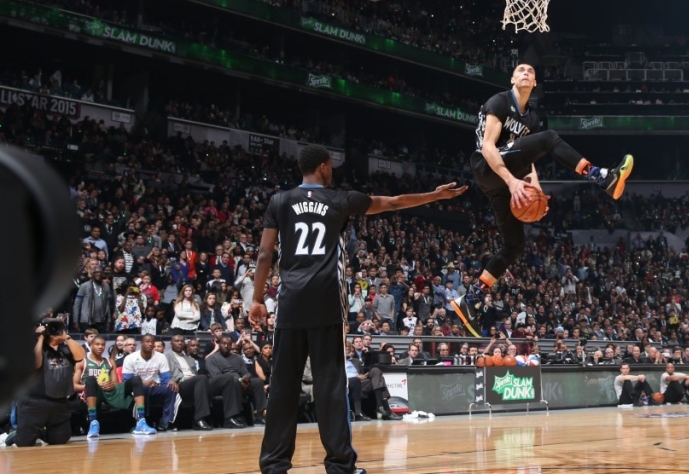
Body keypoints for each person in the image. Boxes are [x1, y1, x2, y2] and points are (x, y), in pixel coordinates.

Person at [249, 144, 466, 474]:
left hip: (290, 303)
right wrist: (434, 196)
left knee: (283, 386)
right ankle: (339, 466)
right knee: (330, 385)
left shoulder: (280, 201)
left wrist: (256, 298)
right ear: (323, 167)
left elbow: (265, 255)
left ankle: (274, 465)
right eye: (330, 166)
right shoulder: (339, 200)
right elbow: (392, 203)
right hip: (325, 303)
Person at [449, 63, 634, 338]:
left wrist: (536, 189)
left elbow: (527, 160)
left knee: (515, 245)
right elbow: (488, 147)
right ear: (512, 78)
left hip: (503, 180)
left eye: (531, 72)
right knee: (548, 139)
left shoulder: (532, 118)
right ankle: (601, 176)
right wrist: (513, 183)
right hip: (487, 166)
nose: (525, 73)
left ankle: (471, 299)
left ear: (535, 83)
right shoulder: (499, 102)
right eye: (520, 70)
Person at [10, 321, 86, 447]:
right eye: (52, 329)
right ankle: (17, 435)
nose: (55, 331)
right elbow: (35, 364)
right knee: (24, 442)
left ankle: (41, 433)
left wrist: (66, 337)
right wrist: (40, 338)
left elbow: (81, 356)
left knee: (60, 439)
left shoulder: (66, 349)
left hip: (60, 402)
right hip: (35, 402)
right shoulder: (34, 346)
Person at [80, 335, 147, 437]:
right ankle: (93, 423)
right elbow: (74, 385)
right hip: (92, 393)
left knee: (136, 379)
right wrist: (92, 385)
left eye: (102, 345)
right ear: (91, 345)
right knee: (91, 379)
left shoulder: (110, 361)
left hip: (110, 391)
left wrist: (111, 384)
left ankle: (141, 421)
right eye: (97, 344)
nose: (100, 347)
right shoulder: (82, 362)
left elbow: (115, 383)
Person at [122, 335, 179, 433]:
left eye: (152, 342)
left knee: (171, 388)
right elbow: (127, 380)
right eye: (147, 341)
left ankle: (166, 422)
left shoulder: (160, 357)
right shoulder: (130, 358)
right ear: (141, 343)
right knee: (143, 388)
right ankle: (143, 420)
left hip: (156, 386)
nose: (150, 344)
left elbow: (165, 377)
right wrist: (143, 382)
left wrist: (171, 381)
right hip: (137, 388)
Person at [165, 335, 214, 430]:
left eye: (181, 341)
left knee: (225, 379)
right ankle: (199, 419)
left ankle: (231, 417)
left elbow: (195, 374)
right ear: (171, 343)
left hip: (194, 382)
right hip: (179, 384)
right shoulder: (166, 357)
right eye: (176, 341)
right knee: (201, 379)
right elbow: (167, 375)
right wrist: (183, 379)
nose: (179, 343)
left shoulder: (189, 358)